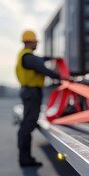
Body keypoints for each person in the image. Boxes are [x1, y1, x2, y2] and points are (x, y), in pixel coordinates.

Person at [15, 30, 66, 167]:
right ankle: (25, 159)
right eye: (35, 42)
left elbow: (40, 59)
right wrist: (62, 78)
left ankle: (25, 158)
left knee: (27, 123)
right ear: (29, 42)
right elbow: (43, 69)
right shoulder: (28, 57)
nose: (36, 44)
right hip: (32, 92)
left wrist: (51, 58)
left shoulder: (25, 56)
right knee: (28, 124)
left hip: (28, 91)